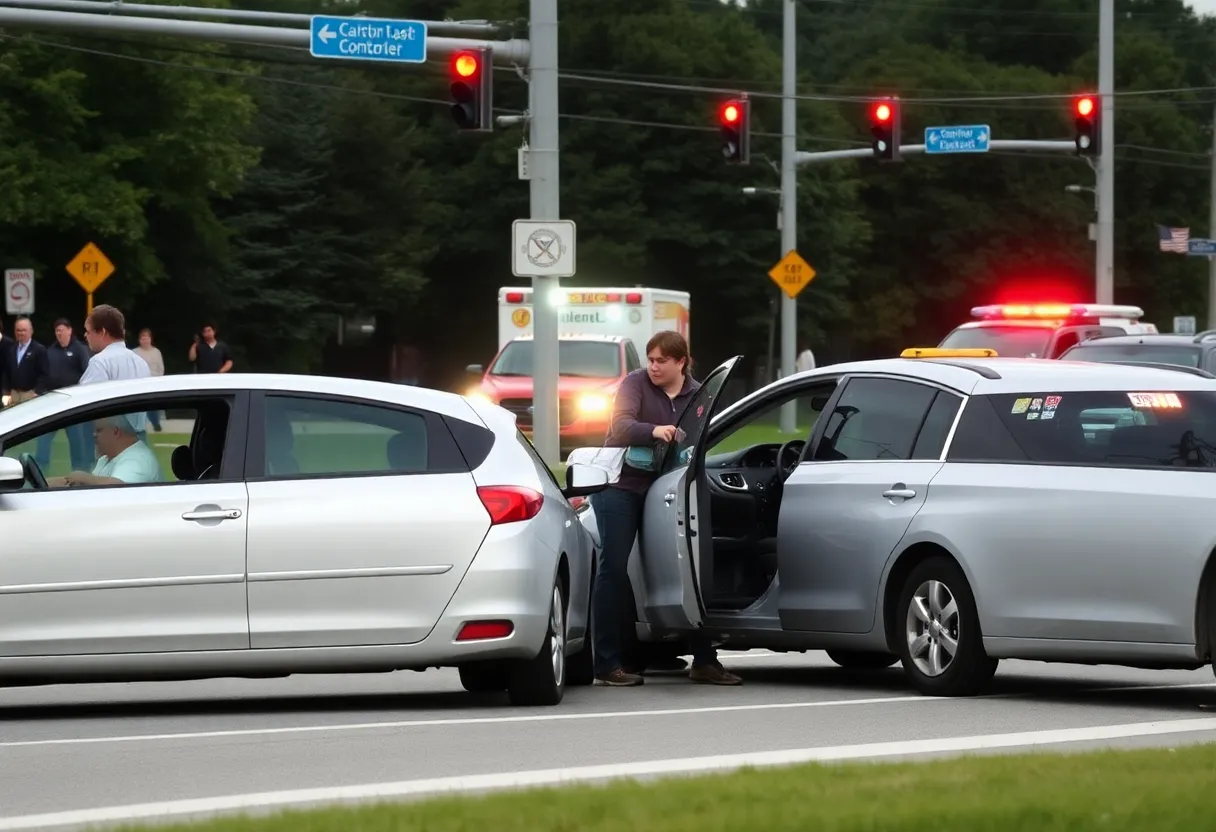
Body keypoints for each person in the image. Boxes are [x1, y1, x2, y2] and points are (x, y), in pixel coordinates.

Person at [588, 330, 742, 688]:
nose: (653, 367)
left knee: (686, 564)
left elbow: (701, 438)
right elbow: (620, 427)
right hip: (622, 486)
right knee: (613, 567)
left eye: (661, 361)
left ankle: (704, 660)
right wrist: (656, 430)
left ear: (681, 362)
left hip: (668, 488)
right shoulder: (635, 383)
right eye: (651, 359)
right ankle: (608, 664)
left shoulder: (698, 393)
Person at [79, 304, 151, 436]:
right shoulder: (141, 363)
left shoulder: (100, 362)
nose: (85, 335)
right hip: (139, 438)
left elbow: (84, 404)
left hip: (114, 440)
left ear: (102, 332)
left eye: (88, 331)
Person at [38, 318, 94, 471]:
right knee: (44, 436)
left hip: (73, 403)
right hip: (53, 402)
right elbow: (44, 374)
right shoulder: (50, 351)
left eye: (61, 330)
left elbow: (87, 374)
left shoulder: (80, 350)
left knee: (77, 441)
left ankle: (81, 471)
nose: (59, 333)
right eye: (56, 330)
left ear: (70, 330)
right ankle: (40, 468)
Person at [49, 414, 162, 487]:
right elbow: (80, 483)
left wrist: (84, 477)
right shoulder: (106, 458)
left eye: (99, 430)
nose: (94, 435)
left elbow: (118, 486)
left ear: (116, 432)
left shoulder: (137, 459)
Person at [1, 317, 49, 406]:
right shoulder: (11, 349)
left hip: (30, 394)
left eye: (23, 330)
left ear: (31, 331)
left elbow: (44, 373)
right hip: (13, 394)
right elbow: (6, 372)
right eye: (18, 330)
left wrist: (37, 391)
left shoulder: (39, 349)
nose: (20, 333)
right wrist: (5, 392)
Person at [134, 328, 166, 432]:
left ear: (150, 339)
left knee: (153, 404)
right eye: (142, 338)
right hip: (139, 383)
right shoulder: (135, 352)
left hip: (153, 382)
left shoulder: (156, 352)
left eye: (147, 338)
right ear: (139, 340)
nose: (145, 340)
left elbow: (161, 368)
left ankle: (155, 423)